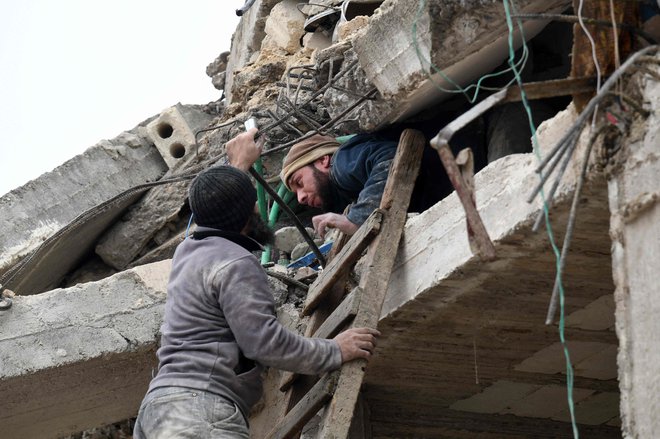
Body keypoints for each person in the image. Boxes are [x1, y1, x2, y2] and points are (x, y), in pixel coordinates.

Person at [133, 165, 379, 439]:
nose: (258, 209)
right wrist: (334, 351)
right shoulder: (236, 263)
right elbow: (264, 343)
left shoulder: (186, 252)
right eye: (253, 204)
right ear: (246, 212)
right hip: (199, 409)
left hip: (156, 411)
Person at [227, 128, 452, 239]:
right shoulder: (346, 188)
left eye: (299, 182)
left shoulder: (341, 164)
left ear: (323, 160)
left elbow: (390, 157)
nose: (301, 198)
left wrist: (355, 219)